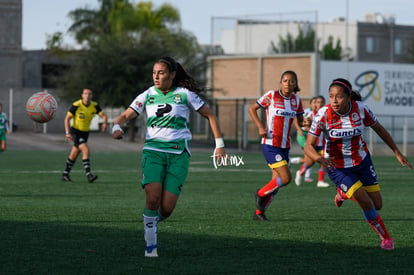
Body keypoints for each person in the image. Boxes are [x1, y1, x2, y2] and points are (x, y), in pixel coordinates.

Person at [111, 56, 226, 257]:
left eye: (161, 73)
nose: (156, 76)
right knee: (152, 197)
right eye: (154, 73)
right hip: (153, 152)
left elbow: (210, 115)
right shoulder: (147, 95)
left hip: (179, 155)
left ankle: (150, 221)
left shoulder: (184, 95)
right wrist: (116, 126)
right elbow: (125, 115)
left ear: (172, 75)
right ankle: (151, 246)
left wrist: (219, 145)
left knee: (166, 209)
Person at [304, 78, 412, 250]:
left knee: (377, 204)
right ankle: (386, 239)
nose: (334, 100)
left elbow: (380, 129)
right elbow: (308, 145)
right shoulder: (323, 114)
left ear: (348, 98)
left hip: (362, 161)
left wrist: (397, 152)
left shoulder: (360, 109)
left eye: (338, 97)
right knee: (366, 202)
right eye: (331, 96)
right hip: (337, 167)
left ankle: (342, 194)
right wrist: (318, 159)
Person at [249, 70, 306, 221]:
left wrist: (307, 123)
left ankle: (259, 213)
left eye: (292, 81)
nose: (288, 83)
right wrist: (260, 127)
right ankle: (260, 194)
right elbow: (252, 108)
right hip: (270, 143)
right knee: (286, 178)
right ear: (280, 82)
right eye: (285, 80)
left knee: (276, 184)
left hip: (285, 146)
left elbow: (300, 121)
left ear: (295, 84)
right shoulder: (271, 95)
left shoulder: (297, 100)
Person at [61, 88, 108, 183]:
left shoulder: (94, 106)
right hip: (75, 131)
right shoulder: (76, 105)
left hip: (85, 133)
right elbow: (67, 119)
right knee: (85, 149)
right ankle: (89, 175)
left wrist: (104, 123)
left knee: (74, 153)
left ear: (92, 96)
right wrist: (67, 132)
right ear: (82, 95)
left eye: (89, 94)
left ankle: (65, 174)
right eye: (85, 93)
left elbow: (103, 116)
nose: (87, 95)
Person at [295, 95, 330, 188]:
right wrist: (310, 128)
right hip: (313, 144)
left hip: (323, 144)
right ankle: (300, 173)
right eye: (318, 102)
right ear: (315, 104)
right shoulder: (311, 115)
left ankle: (320, 181)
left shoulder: (327, 113)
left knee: (324, 161)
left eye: (322, 102)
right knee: (310, 162)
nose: (320, 104)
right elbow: (305, 126)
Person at [291, 96, 317, 182]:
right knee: (310, 156)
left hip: (311, 135)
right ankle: (305, 175)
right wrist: (299, 130)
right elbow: (296, 121)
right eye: (314, 102)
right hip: (303, 135)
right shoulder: (306, 112)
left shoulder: (319, 113)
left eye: (318, 102)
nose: (316, 104)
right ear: (310, 104)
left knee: (309, 157)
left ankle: (306, 176)